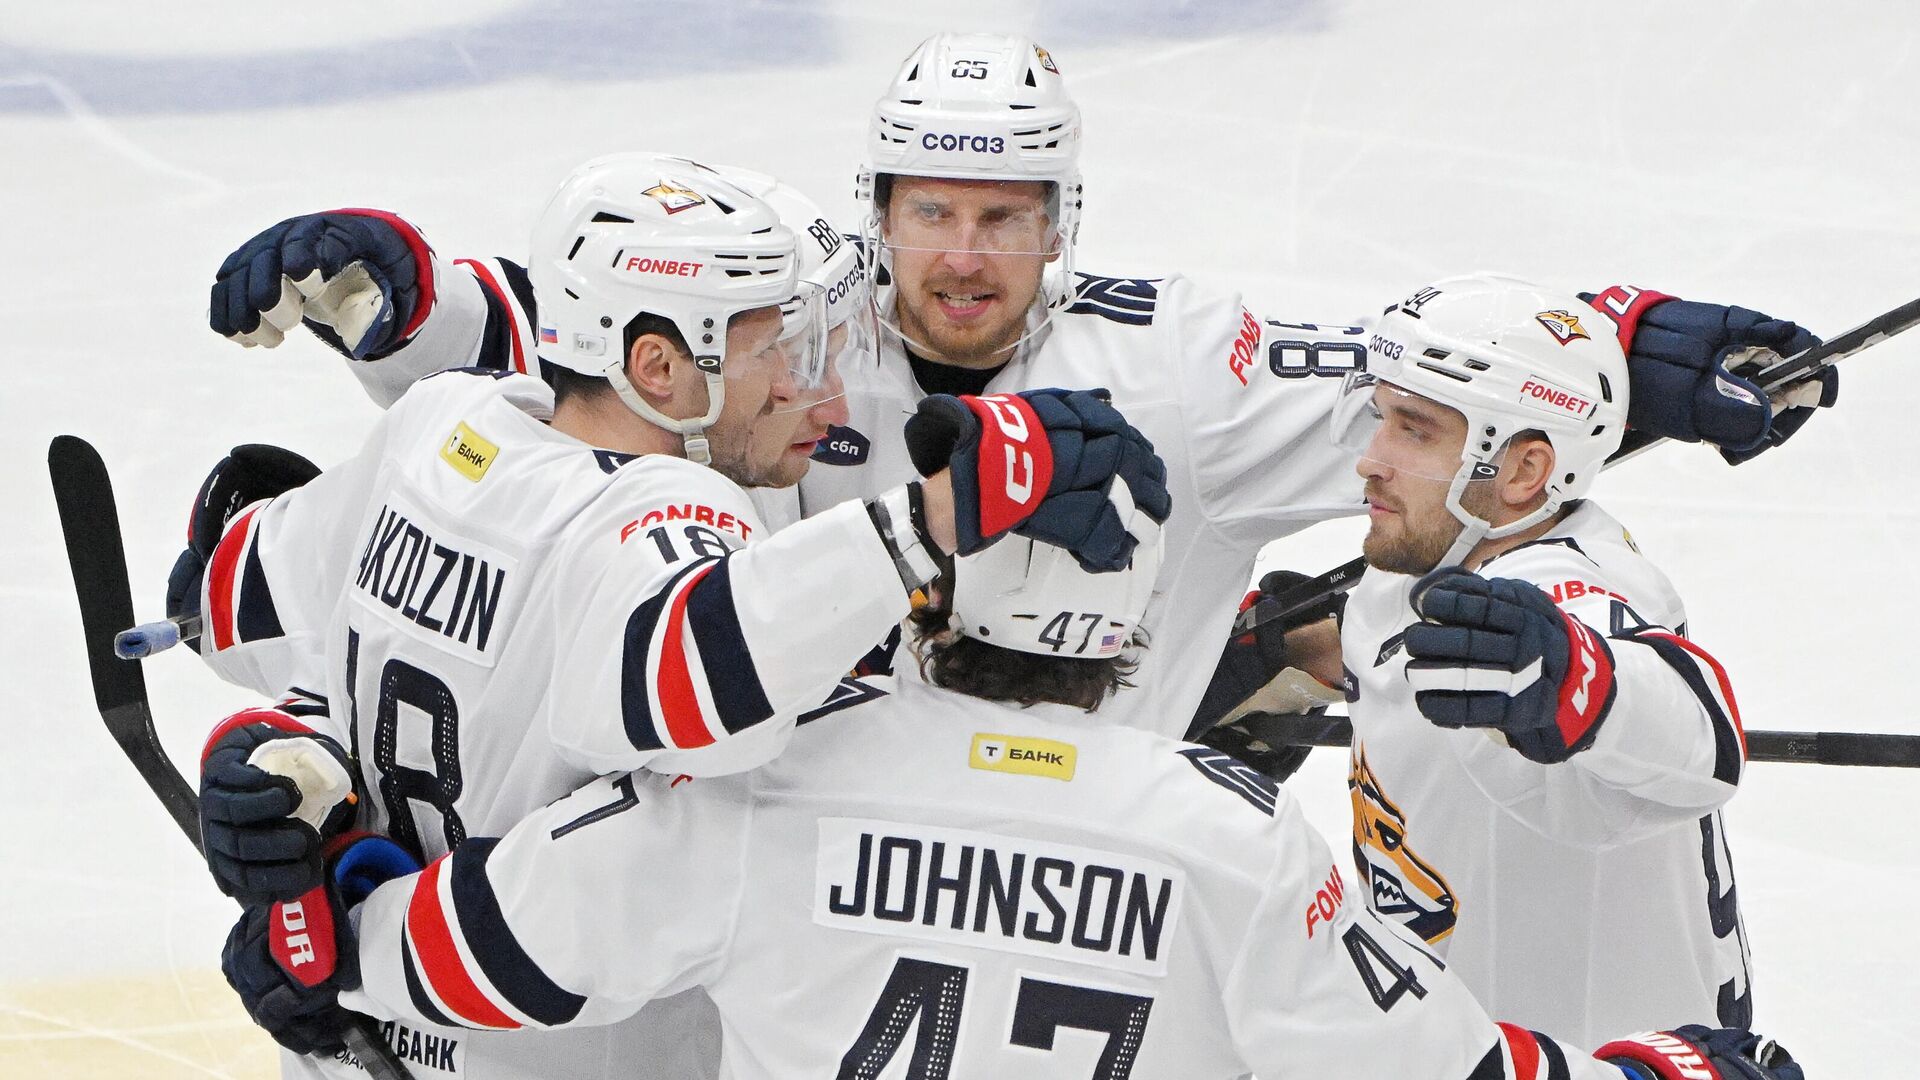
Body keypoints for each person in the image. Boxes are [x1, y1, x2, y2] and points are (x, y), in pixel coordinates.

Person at [201, 33, 1837, 743]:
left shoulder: (1188, 359)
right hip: (791, 840)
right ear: (879, 210)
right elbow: (597, 358)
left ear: (1063, 222)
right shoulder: (798, 331)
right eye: (932, 213)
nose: (965, 255)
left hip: (1080, 858)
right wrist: (412, 303)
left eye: (1005, 217)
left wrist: (1638, 346)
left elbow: (1444, 380)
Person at [218, 476, 1801, 1080]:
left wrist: (316, 898)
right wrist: (1673, 1076)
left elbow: (463, 956)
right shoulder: (1227, 835)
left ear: (928, 602)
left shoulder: (760, 786)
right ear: (1130, 639)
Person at [177, 152, 1168, 1078]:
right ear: (658, 370)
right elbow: (695, 689)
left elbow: (225, 606)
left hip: (346, 1034)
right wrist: (934, 516)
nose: (829, 404)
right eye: (786, 354)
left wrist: (282, 765)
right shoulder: (663, 515)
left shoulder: (441, 431)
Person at [1254, 273, 1759, 1047]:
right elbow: (1391, 638)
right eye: (1382, 418)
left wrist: (1583, 682)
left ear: (1523, 471)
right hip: (1449, 1043)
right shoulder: (1420, 564)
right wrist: (1280, 658)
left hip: (1598, 1057)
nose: (1370, 460)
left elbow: (1702, 738)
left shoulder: (1569, 589)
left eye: (1415, 431)